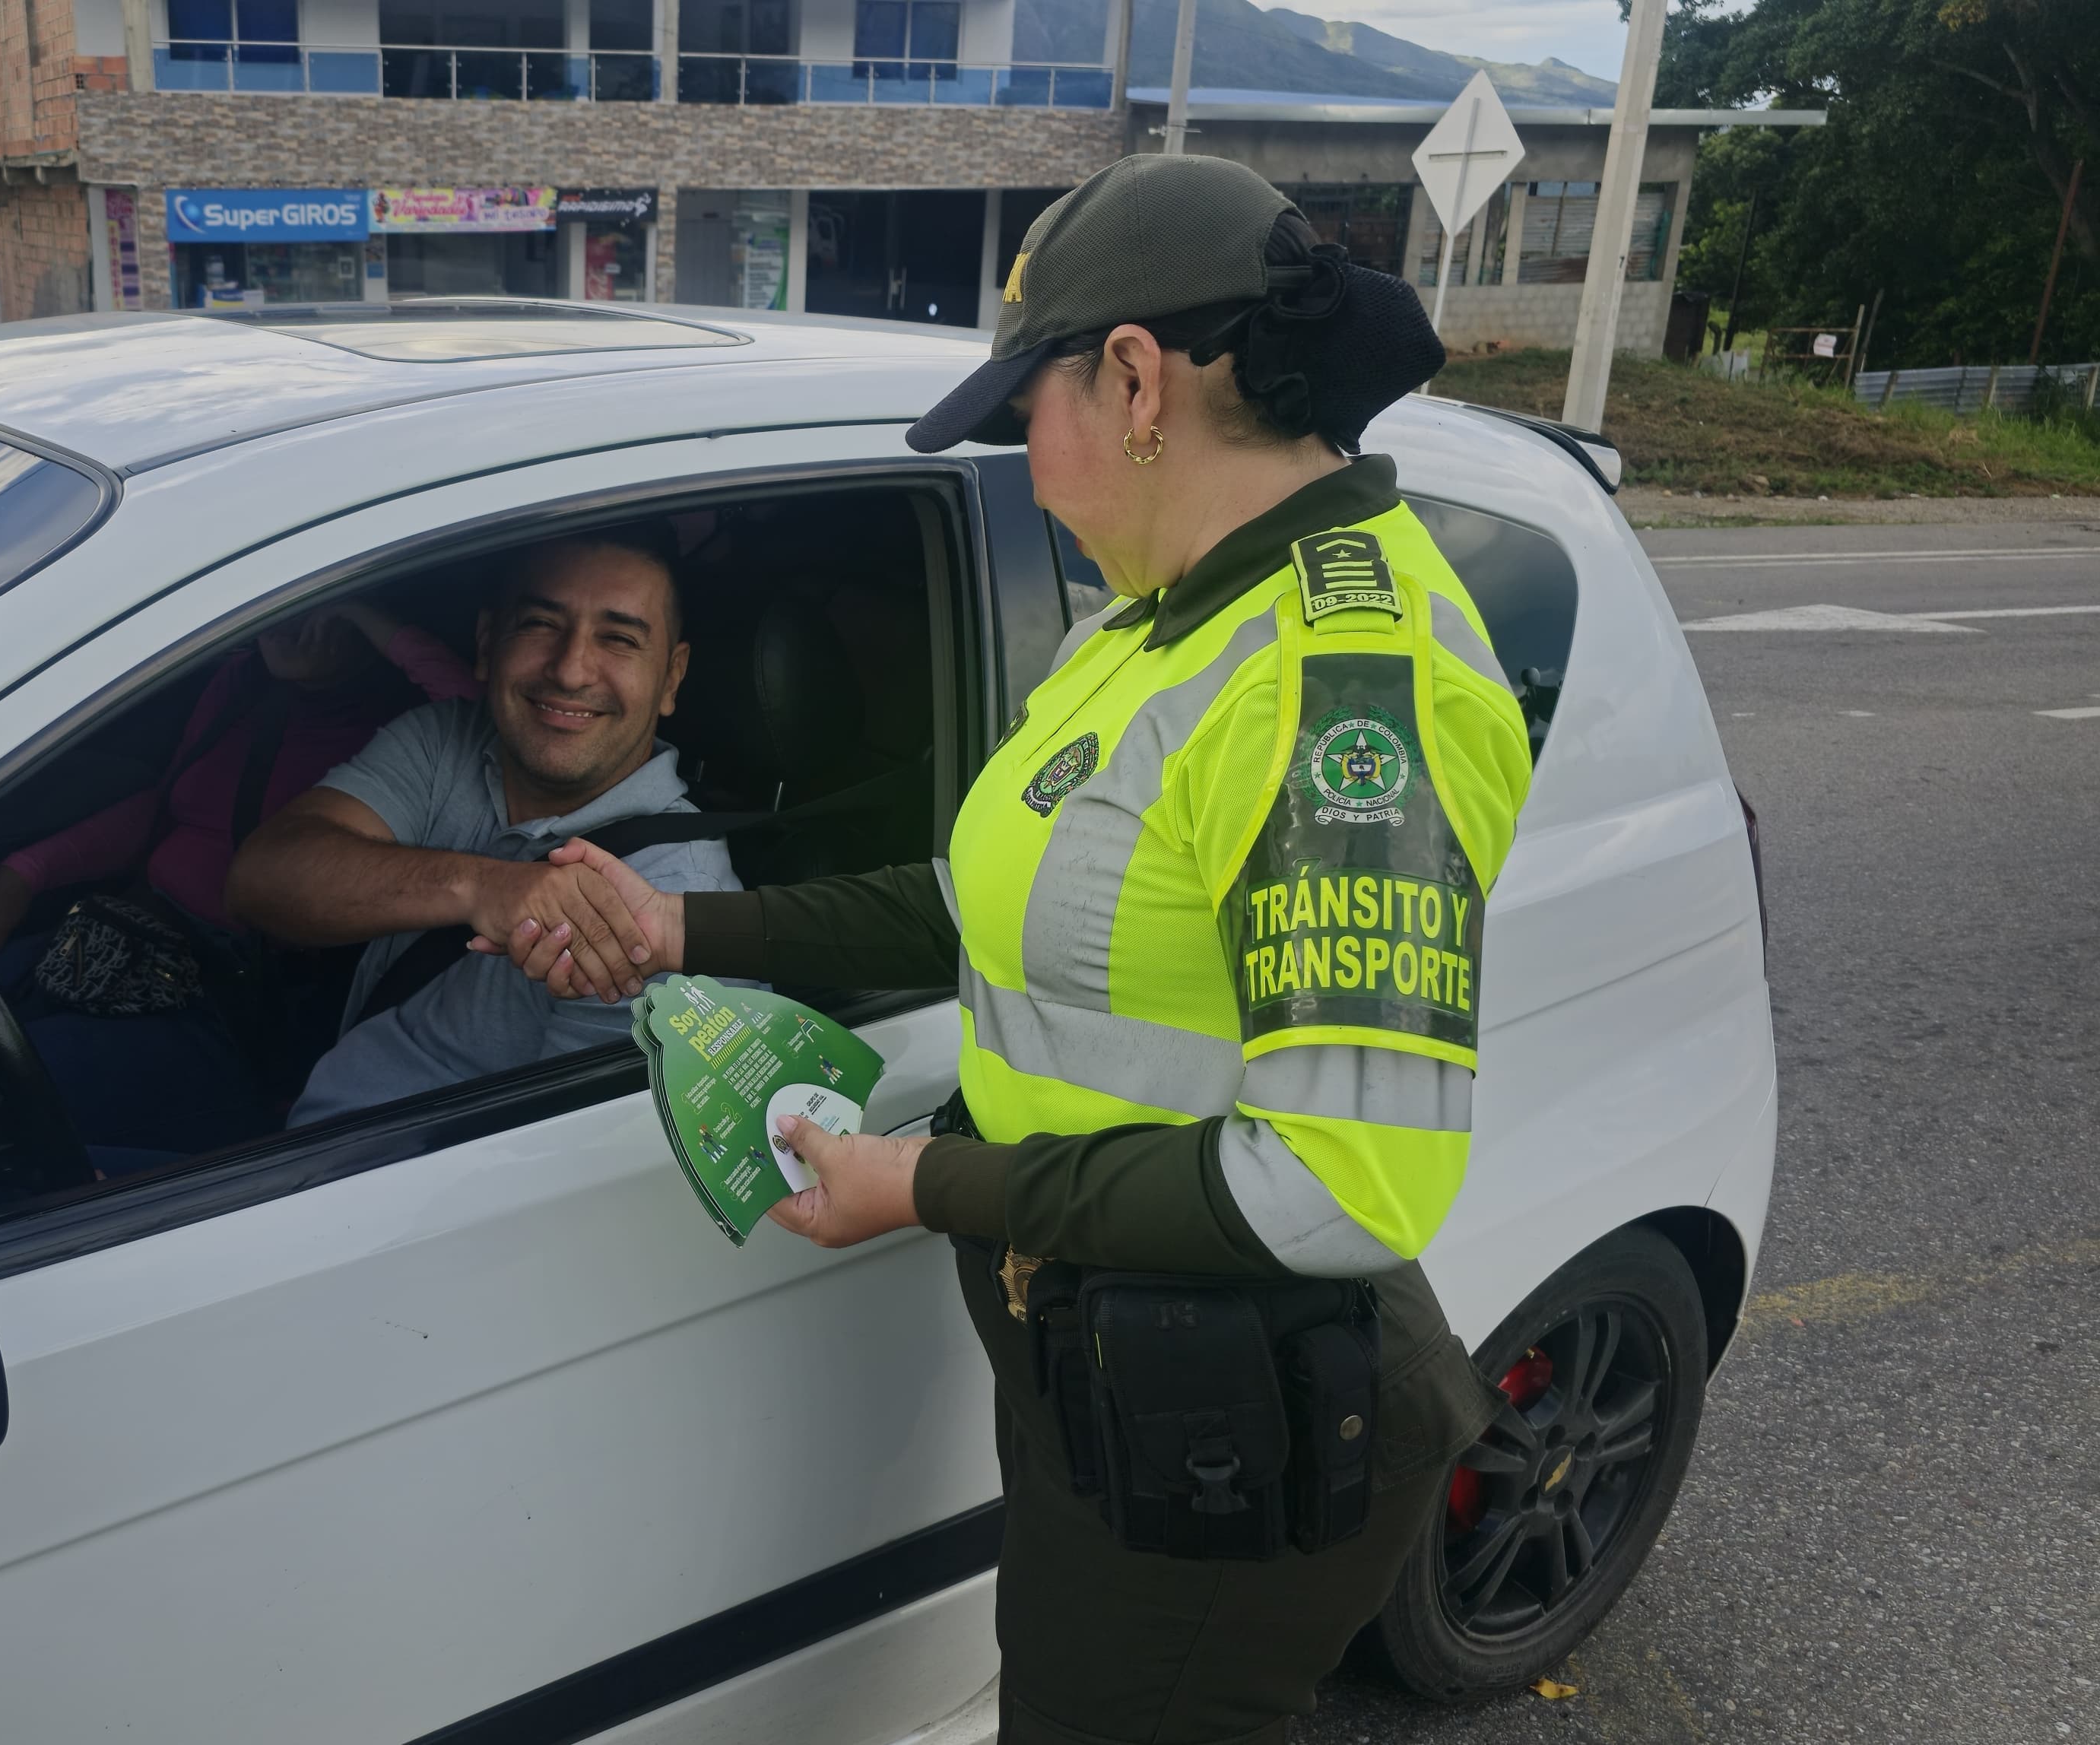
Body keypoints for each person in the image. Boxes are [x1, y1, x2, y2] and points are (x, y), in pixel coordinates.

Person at [481, 157, 1534, 1745]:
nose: (1026, 472)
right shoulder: (1162, 619)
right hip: (1114, 1365)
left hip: (1231, 1412)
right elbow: (996, 898)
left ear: (1134, 377)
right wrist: (682, 925)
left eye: (1021, 418)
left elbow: (1337, 1183)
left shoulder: (1341, 689)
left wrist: (920, 1181)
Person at [226, 527, 743, 1126]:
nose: (572, 670)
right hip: (311, 1121)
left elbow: (557, 1171)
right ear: (486, 642)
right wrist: (483, 887)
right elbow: (262, 878)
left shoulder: (671, 905)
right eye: (540, 625)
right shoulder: (448, 739)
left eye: (619, 638)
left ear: (671, 679)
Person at [0, 601, 477, 1164]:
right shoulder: (241, 683)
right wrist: (28, 870)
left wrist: (372, 614)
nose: (290, 621)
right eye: (284, 600)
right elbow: (171, 808)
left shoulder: (418, 736)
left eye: (317, 605)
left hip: (231, 1003)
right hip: (134, 931)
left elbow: (484, 732)